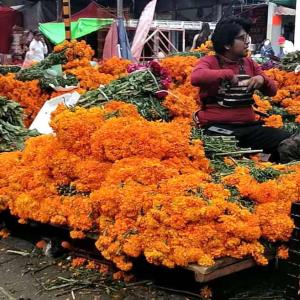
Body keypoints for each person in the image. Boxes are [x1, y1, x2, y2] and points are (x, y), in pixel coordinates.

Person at [191, 16, 292, 162]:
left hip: (249, 128)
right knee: (222, 151)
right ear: (227, 44)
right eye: (241, 38)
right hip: (218, 129)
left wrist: (262, 80)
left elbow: (273, 91)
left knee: (289, 142)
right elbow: (196, 77)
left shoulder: (249, 63)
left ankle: (271, 172)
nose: (247, 42)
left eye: (247, 37)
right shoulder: (209, 61)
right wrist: (227, 74)